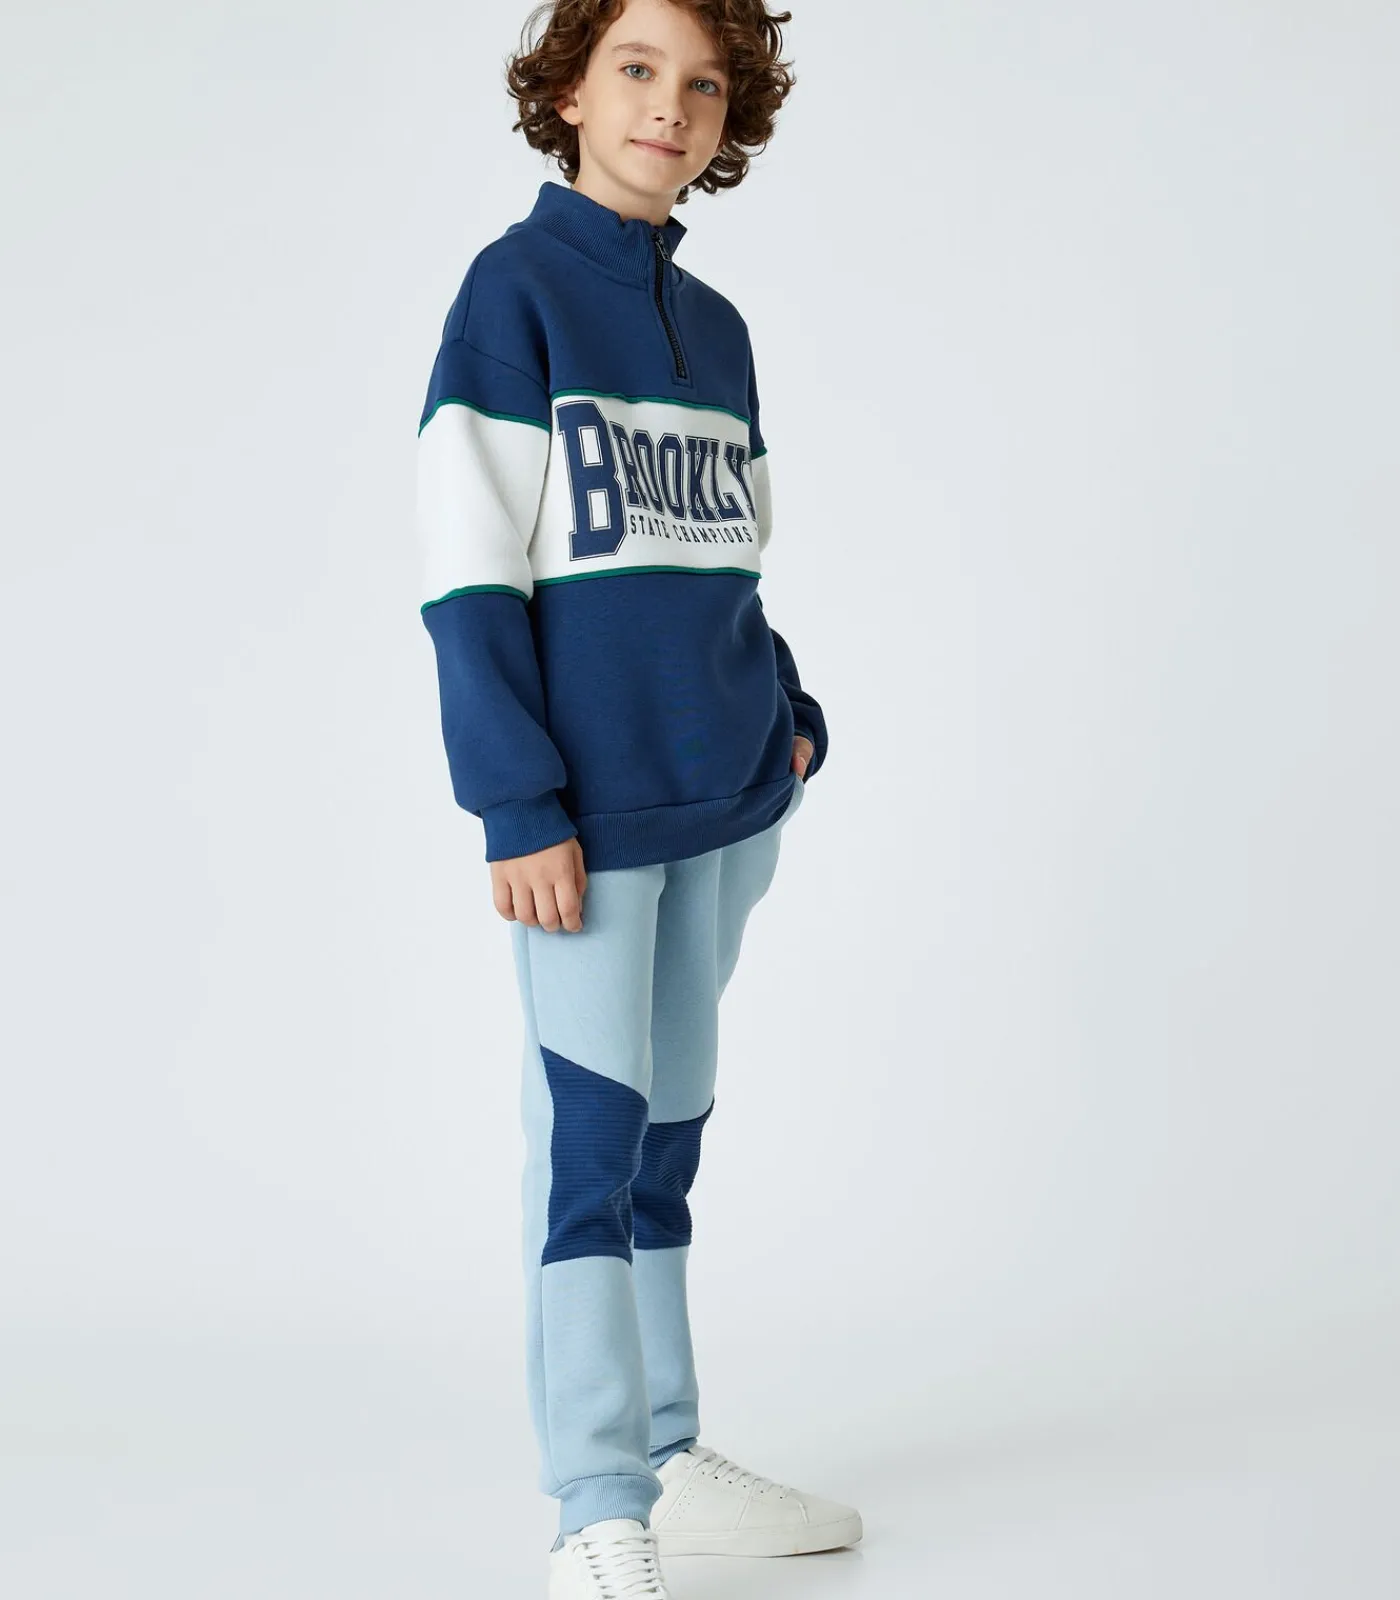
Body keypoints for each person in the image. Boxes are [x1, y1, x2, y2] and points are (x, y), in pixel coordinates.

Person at [415, 0, 860, 1593]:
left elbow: (724, 557)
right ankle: (595, 1503)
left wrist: (789, 717)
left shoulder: (717, 330)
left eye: (704, 83)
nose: (670, 105)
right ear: (569, 91)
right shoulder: (514, 293)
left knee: (668, 1135)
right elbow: (470, 572)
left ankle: (670, 1450)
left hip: (727, 805)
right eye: (636, 69)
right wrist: (517, 802)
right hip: (587, 825)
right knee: (588, 1148)